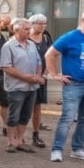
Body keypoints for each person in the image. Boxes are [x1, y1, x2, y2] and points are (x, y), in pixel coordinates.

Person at [45, 9, 84, 162]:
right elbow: (50, 54)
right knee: (67, 118)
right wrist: (55, 75)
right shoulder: (70, 37)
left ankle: (77, 149)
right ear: (83, 20)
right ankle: (57, 149)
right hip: (74, 85)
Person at [0, 18, 44, 153]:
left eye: (29, 28)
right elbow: (6, 67)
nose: (29, 31)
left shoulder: (31, 44)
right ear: (16, 30)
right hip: (17, 86)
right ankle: (11, 141)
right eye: (26, 29)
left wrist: (37, 76)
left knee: (25, 115)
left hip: (32, 86)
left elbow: (39, 62)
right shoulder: (8, 46)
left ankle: (20, 140)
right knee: (14, 115)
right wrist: (26, 77)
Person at [28, 14, 53, 147]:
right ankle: (16, 135)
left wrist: (44, 75)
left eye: (44, 23)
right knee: (23, 106)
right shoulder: (25, 38)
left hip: (41, 78)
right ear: (32, 24)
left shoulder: (46, 38)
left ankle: (35, 134)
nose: (43, 26)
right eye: (40, 23)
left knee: (37, 107)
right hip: (26, 77)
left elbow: (50, 57)